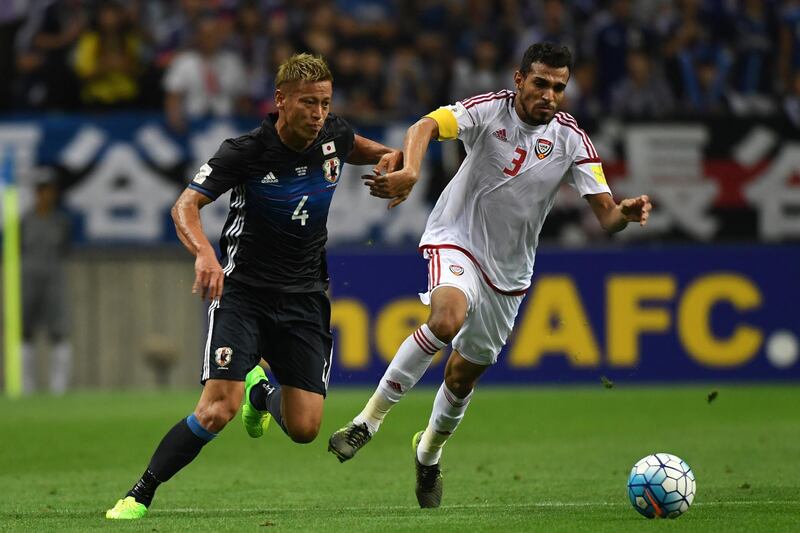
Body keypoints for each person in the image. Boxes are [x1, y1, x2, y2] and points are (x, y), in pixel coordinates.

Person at [328, 43, 651, 508]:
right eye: (540, 83)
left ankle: (428, 454)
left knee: (461, 378)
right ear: (519, 79)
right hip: (456, 236)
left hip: (510, 272)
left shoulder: (572, 141)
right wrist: (414, 169)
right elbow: (425, 125)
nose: (550, 94)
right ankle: (367, 422)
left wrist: (625, 211)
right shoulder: (488, 110)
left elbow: (605, 217)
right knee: (445, 320)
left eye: (559, 87)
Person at [106, 53, 402, 520]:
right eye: (308, 102)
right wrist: (205, 254)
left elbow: (370, 149)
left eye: (325, 103)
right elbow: (185, 206)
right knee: (216, 410)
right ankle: (139, 493)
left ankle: (261, 392)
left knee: (305, 428)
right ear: (280, 100)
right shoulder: (244, 151)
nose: (318, 113)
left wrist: (395, 165)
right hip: (242, 294)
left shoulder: (333, 137)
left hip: (305, 298)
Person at [21, 168, 72, 395]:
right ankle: (24, 386)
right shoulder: (24, 221)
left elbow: (64, 249)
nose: (45, 195)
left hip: (53, 279)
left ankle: (58, 388)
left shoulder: (61, 222)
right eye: (41, 190)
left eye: (49, 190)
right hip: (27, 279)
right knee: (24, 331)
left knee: (59, 331)